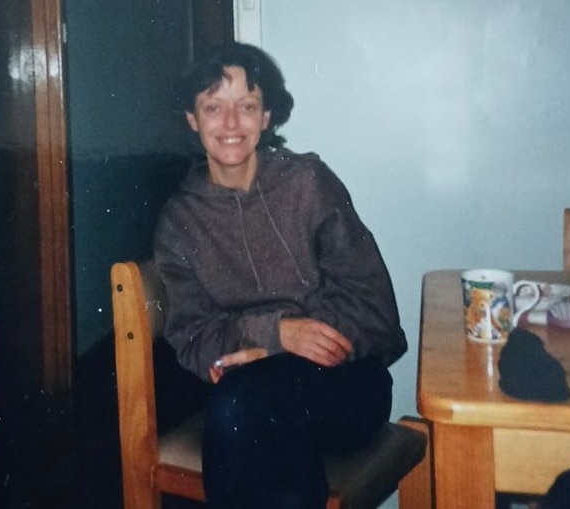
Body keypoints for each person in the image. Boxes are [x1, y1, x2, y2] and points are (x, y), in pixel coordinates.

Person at [153, 41, 407, 509]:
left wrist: (294, 344)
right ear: (192, 118)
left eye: (246, 106)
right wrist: (277, 335)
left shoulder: (308, 183)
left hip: (345, 386)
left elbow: (375, 308)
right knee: (251, 415)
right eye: (213, 107)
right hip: (249, 399)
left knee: (244, 411)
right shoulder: (179, 221)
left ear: (267, 116)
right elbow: (192, 338)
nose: (230, 124)